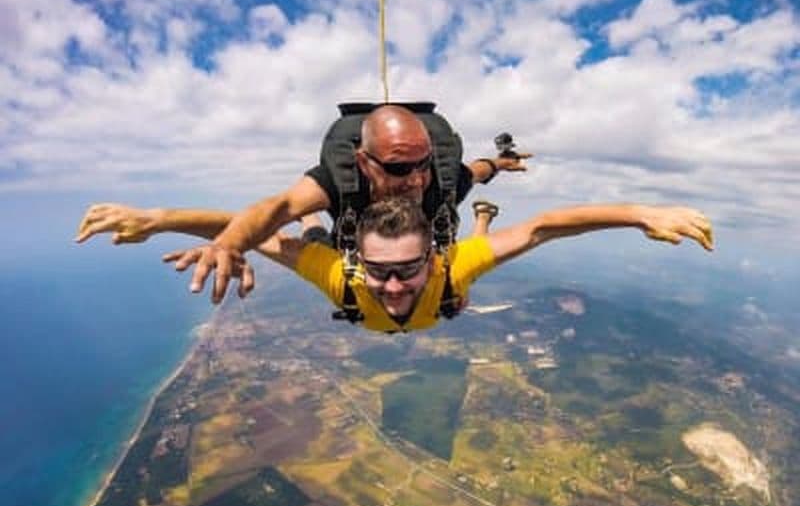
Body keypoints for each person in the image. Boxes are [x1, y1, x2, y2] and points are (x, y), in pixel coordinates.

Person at [76, 198, 713, 333]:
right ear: (361, 264)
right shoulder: (345, 275)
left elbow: (544, 228)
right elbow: (242, 231)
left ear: (429, 260)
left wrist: (638, 214)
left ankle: (477, 218)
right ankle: (319, 225)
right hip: (337, 250)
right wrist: (159, 218)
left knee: (470, 257)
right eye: (379, 273)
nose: (392, 285)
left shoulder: (448, 269)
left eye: (407, 270)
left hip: (452, 270)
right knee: (304, 238)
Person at [164, 104, 532, 304]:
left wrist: (501, 163)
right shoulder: (341, 182)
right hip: (353, 236)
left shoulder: (435, 185)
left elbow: (476, 171)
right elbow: (279, 207)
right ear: (363, 162)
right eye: (400, 168)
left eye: (423, 166)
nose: (416, 180)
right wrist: (230, 243)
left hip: (422, 235)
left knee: (447, 252)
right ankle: (311, 219)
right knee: (317, 237)